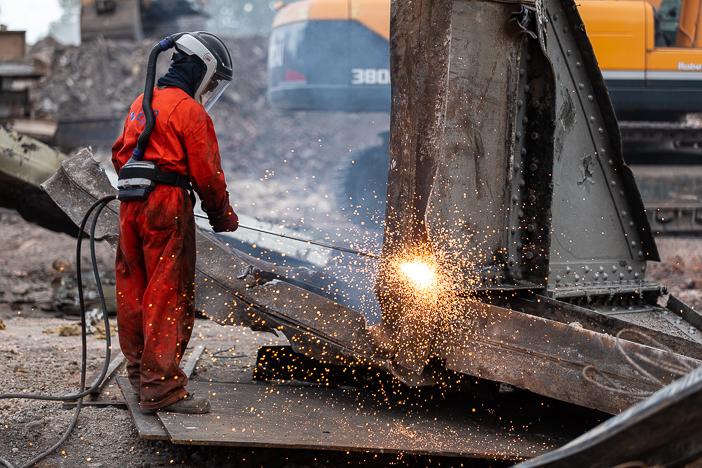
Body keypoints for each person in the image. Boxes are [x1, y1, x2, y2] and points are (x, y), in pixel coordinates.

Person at [111, 32, 239, 414]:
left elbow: (121, 155)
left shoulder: (140, 103)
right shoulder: (189, 111)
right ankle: (162, 390)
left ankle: (140, 378)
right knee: (168, 293)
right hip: (167, 207)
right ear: (203, 69)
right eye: (212, 82)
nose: (210, 89)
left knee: (133, 289)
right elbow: (208, 174)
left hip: (131, 206)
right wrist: (221, 214)